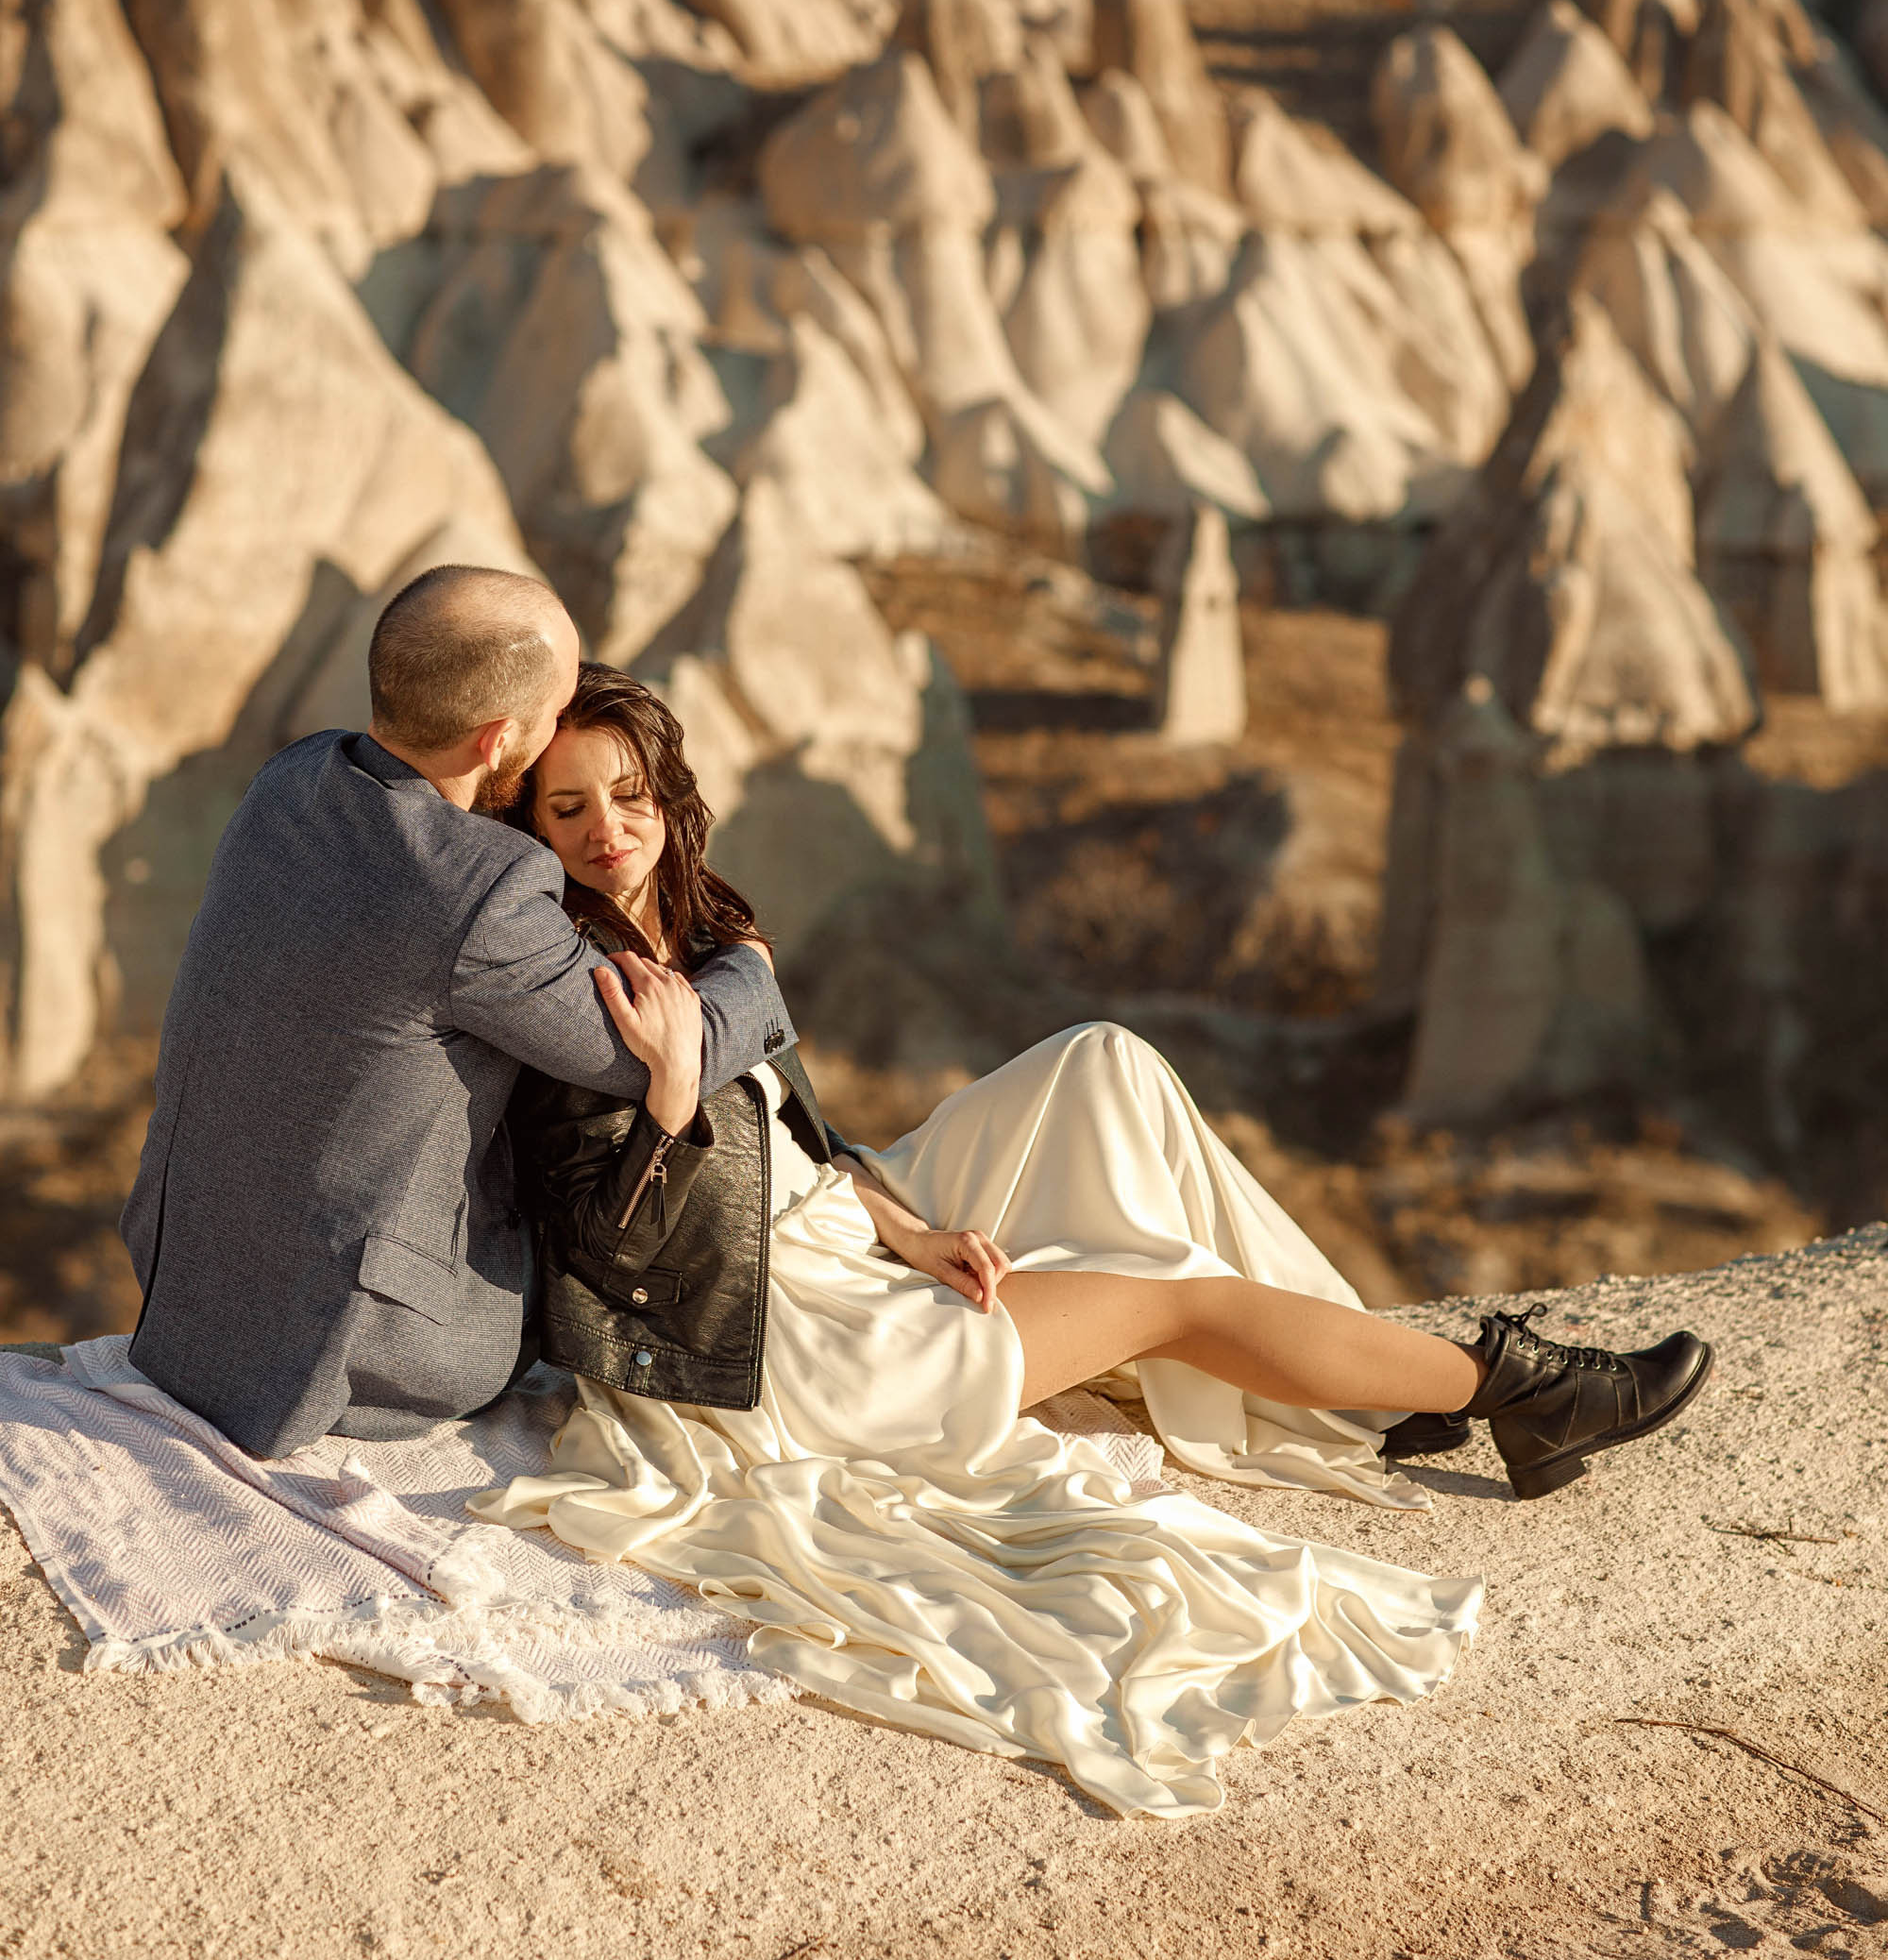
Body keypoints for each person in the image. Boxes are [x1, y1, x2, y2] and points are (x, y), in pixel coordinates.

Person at [479, 666, 1713, 1817]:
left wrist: (905, 1229)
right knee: (1181, 1296)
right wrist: (671, 1100)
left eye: (630, 796)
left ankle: (1349, 1380)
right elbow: (616, 1241)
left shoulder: (685, 934)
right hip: (789, 1337)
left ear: (668, 795)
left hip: (833, 1233)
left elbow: (796, 1136)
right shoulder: (580, 987)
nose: (607, 830)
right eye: (570, 807)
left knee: (1098, 1063)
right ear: (532, 823)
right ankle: (1520, 1390)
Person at [121, 568, 795, 1460]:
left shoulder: (292, 780)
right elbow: (666, 1050)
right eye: (555, 714)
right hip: (356, 1345)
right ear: (499, 739)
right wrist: (750, 961)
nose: (563, 725)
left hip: (181, 1284)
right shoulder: (479, 890)